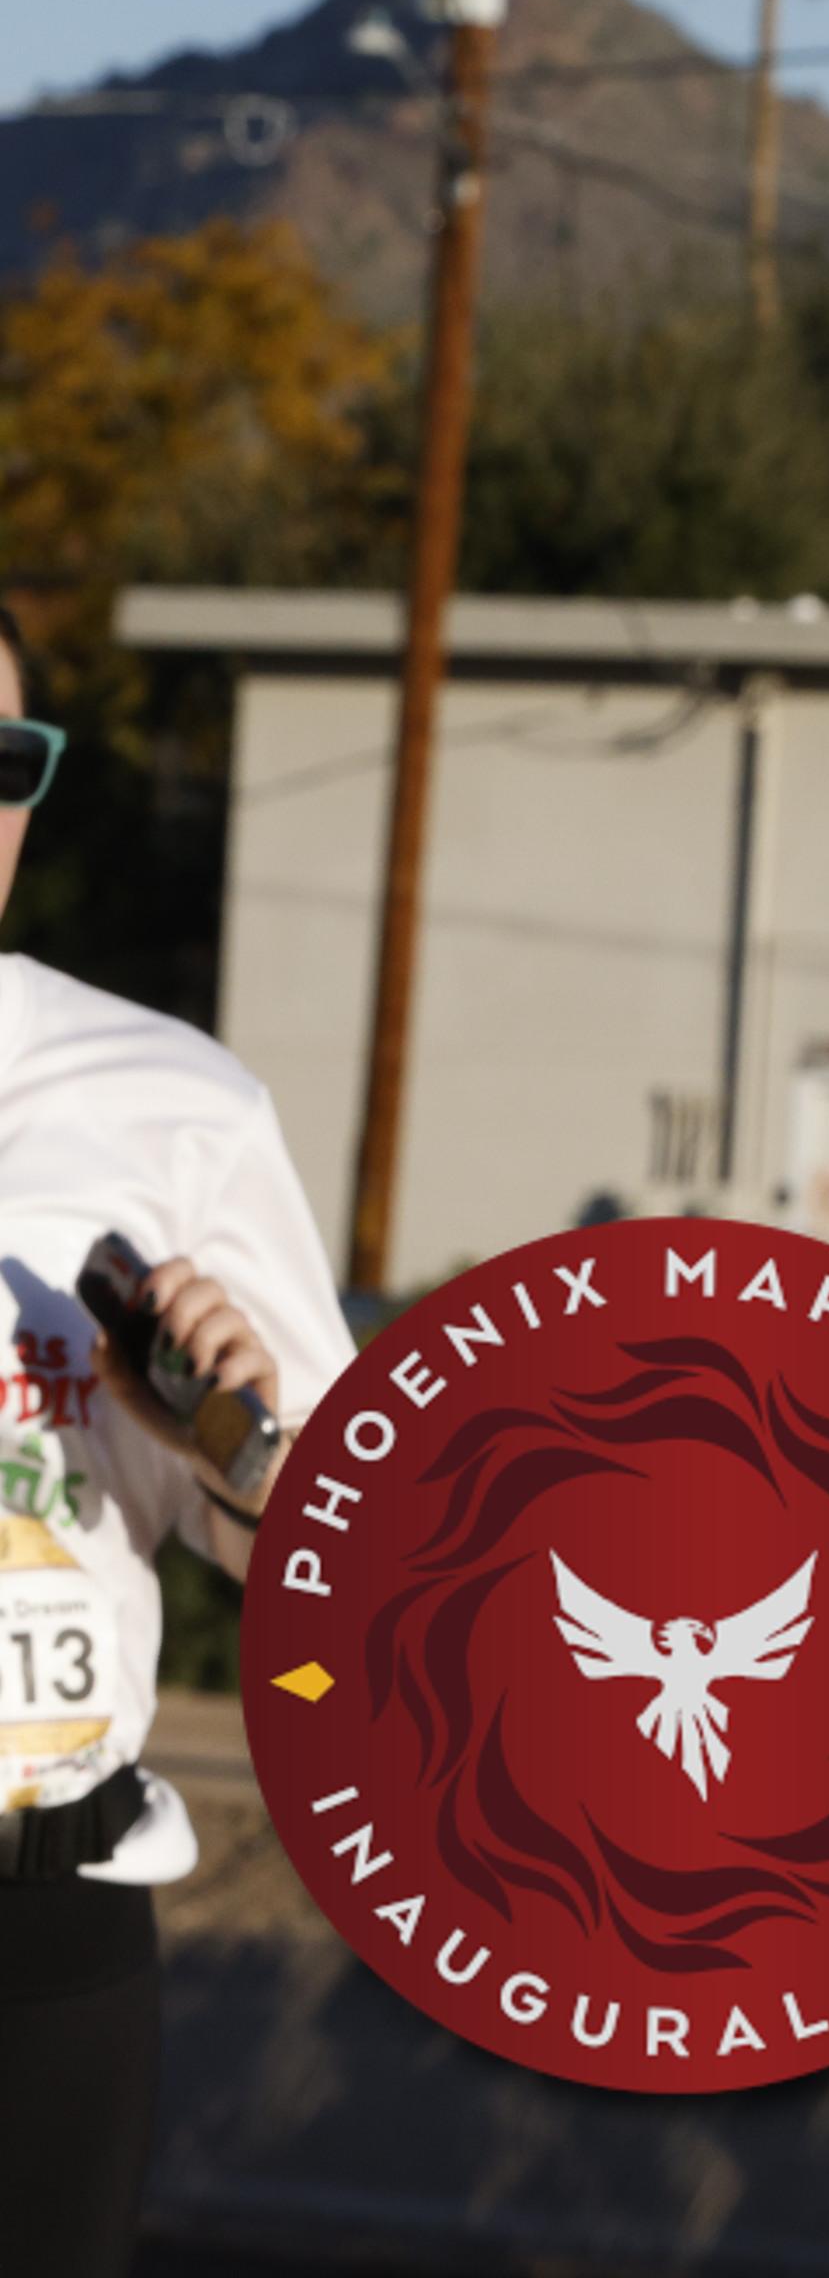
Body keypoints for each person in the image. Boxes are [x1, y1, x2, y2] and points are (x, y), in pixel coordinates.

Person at [0, 602, 357, 2278]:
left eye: (5, 761)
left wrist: (237, 1443)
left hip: (36, 1931)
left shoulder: (168, 1104)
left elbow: (345, 1562)